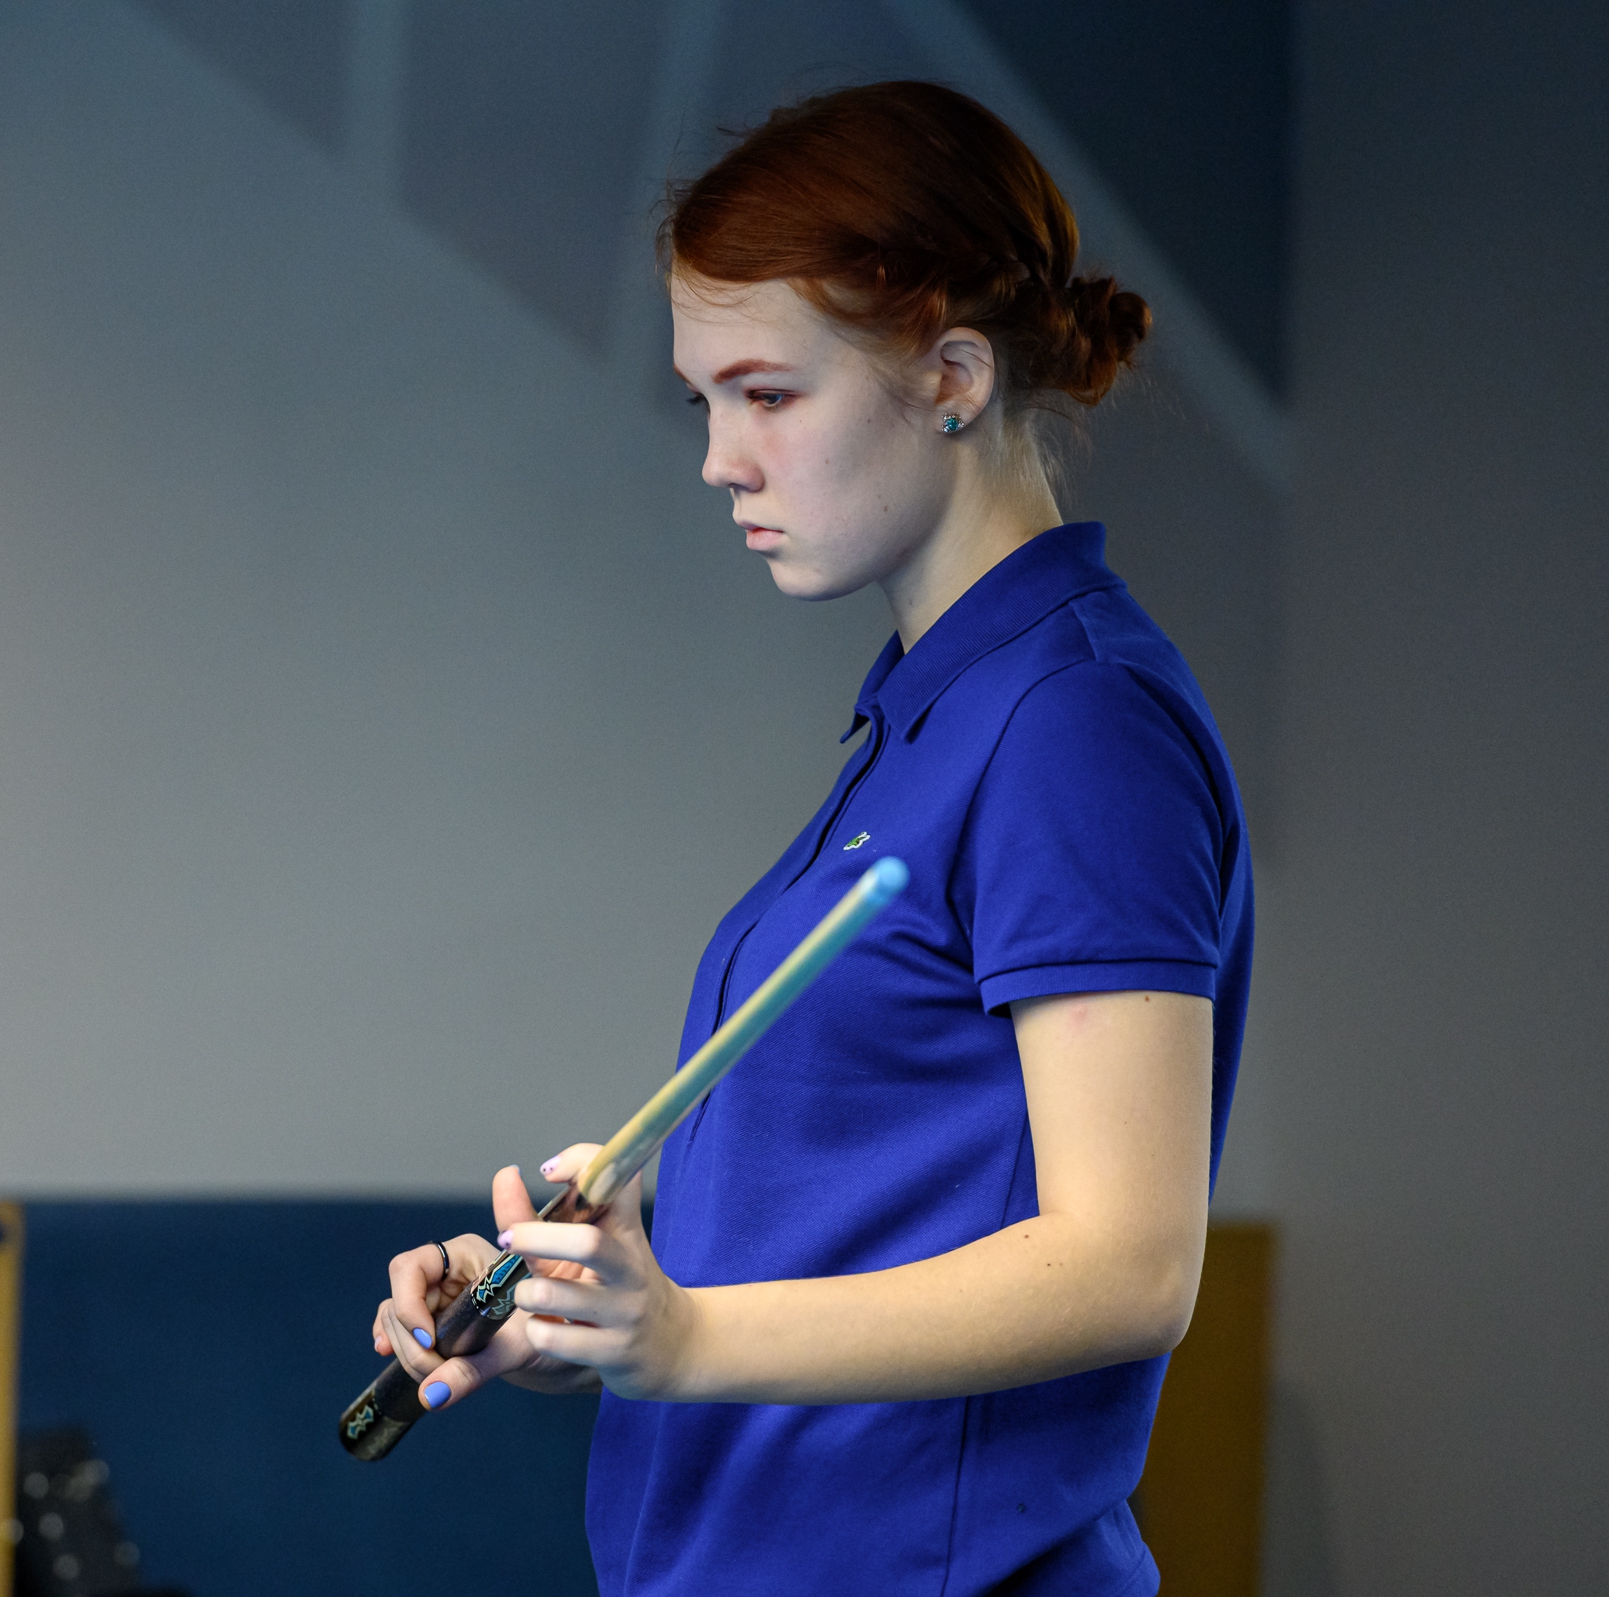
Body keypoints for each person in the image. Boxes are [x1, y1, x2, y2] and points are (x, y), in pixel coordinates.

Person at [369, 81, 1251, 1595]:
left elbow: (1127, 1264)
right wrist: (592, 1309)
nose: (721, 456)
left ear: (952, 375)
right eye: (704, 400)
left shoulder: (1074, 724)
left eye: (768, 394)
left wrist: (689, 1334)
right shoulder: (934, 714)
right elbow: (869, 1205)